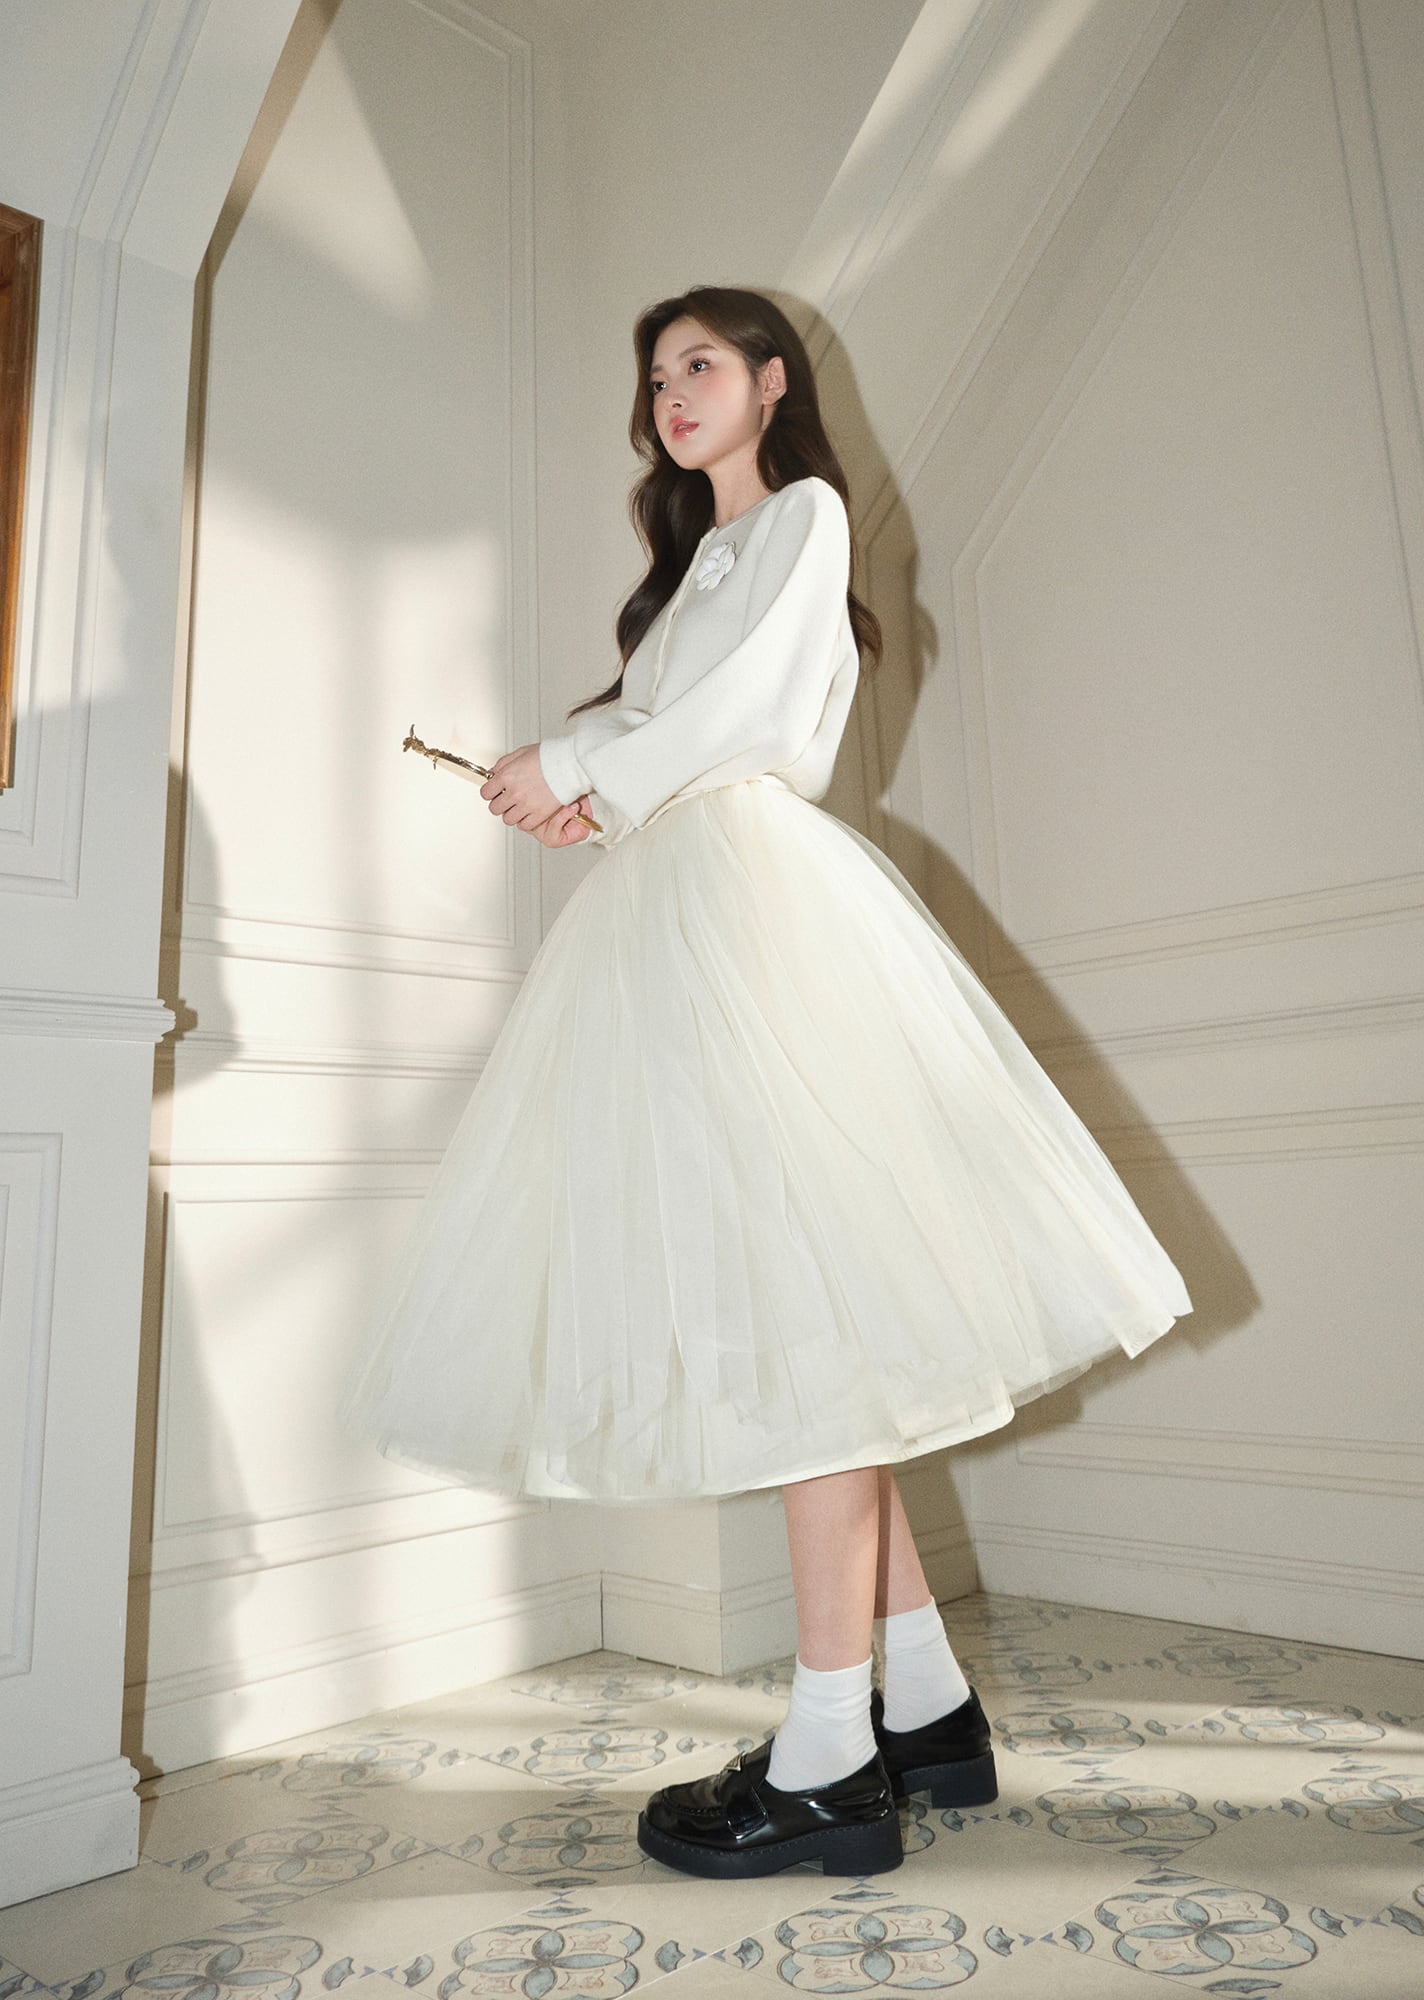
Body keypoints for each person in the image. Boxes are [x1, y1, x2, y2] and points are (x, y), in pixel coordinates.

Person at [336, 285, 1192, 1882]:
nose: (671, 392)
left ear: (771, 382)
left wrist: (581, 764)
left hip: (755, 910)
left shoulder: (802, 514)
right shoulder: (691, 574)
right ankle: (923, 1708)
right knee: (814, 1322)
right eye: (656, 374)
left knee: (813, 1334)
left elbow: (744, 722)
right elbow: (668, 726)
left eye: (701, 365)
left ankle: (828, 1762)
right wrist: (581, 783)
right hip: (682, 911)